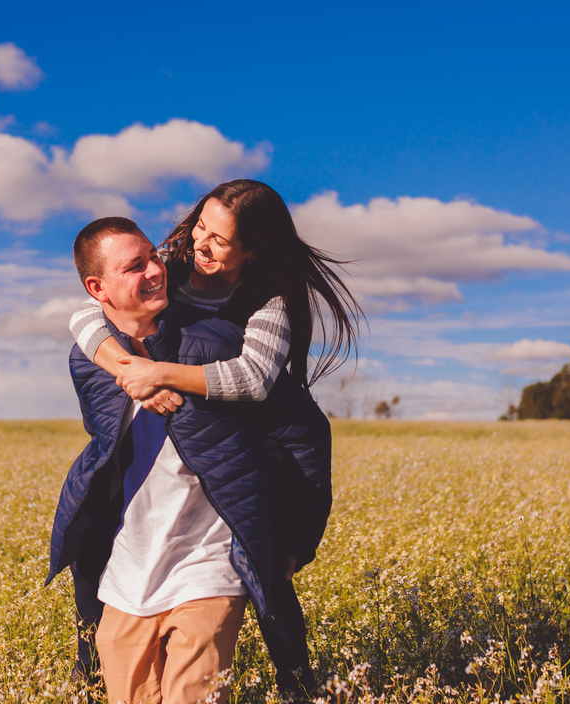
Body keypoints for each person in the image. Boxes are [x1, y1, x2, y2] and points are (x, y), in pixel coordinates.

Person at [67, 180, 362, 698]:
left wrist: (159, 374)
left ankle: (297, 682)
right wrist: (126, 367)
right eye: (199, 225)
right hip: (159, 490)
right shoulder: (167, 269)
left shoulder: (267, 304)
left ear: (253, 249)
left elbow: (252, 379)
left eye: (218, 240)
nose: (198, 243)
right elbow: (88, 311)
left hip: (243, 468)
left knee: (268, 572)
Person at [49, 217, 284, 703]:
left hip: (207, 565)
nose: (156, 270)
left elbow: (289, 424)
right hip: (128, 572)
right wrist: (127, 367)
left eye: (154, 256)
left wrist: (295, 536)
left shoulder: (215, 339)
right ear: (99, 287)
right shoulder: (87, 358)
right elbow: (83, 321)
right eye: (134, 266)